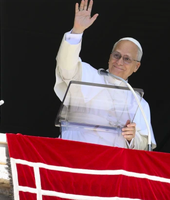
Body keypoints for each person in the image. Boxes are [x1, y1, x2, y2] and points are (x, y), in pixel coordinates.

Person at [54, 0, 156, 150]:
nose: (119, 62)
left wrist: (132, 136)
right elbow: (66, 67)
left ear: (136, 66)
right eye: (116, 55)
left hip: (112, 165)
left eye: (127, 59)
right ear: (110, 57)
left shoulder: (139, 103)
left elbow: (145, 146)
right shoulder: (89, 76)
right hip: (76, 154)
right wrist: (77, 31)